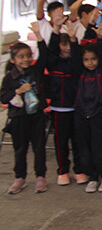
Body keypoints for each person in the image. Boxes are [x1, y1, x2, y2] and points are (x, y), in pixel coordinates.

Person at [1, 22, 48, 194]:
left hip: (36, 116)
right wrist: (17, 91)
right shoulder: (9, 77)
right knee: (20, 148)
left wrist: (39, 35)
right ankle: (20, 177)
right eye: (21, 57)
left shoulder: (35, 71)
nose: (26, 59)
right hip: (18, 117)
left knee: (39, 147)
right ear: (13, 60)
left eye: (28, 56)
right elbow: (3, 96)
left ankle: (40, 176)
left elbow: (44, 55)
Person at [69, 5, 102, 194]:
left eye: (93, 59)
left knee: (99, 150)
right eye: (86, 60)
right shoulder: (79, 73)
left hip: (98, 115)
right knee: (84, 151)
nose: (90, 63)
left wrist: (101, 36)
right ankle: (92, 177)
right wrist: (72, 40)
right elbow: (75, 58)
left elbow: (101, 54)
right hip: (81, 115)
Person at [45, 16, 86, 186]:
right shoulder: (53, 64)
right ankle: (63, 171)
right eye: (64, 45)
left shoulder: (76, 64)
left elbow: (77, 58)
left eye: (69, 44)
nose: (67, 48)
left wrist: (73, 39)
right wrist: (56, 29)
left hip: (76, 109)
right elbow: (50, 52)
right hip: (58, 109)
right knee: (60, 142)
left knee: (78, 141)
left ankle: (79, 170)